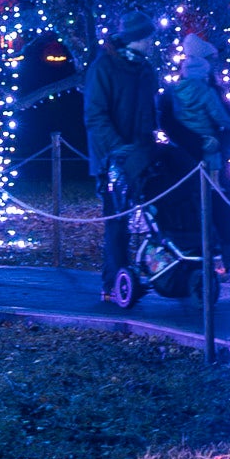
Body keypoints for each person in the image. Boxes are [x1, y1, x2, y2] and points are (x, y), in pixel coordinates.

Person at [82, 15, 167, 295]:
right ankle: (113, 282)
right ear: (138, 39)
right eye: (149, 38)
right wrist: (118, 147)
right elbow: (95, 115)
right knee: (117, 221)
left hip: (142, 154)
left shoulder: (144, 70)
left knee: (152, 216)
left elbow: (150, 112)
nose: (153, 44)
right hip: (112, 158)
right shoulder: (104, 68)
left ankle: (154, 269)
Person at [161, 9, 230, 297]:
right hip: (210, 161)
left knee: (192, 212)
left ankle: (189, 263)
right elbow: (226, 122)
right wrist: (217, 136)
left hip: (181, 163)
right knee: (221, 208)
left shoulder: (172, 92)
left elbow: (167, 122)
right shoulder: (208, 93)